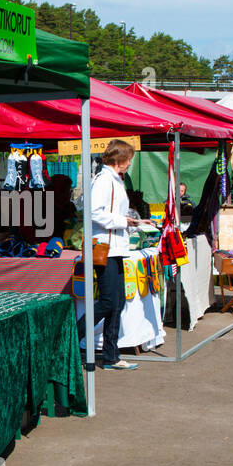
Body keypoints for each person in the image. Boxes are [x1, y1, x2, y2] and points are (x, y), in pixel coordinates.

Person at [89, 140, 141, 366]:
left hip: (116, 247)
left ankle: (111, 355)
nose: (130, 163)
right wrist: (123, 221)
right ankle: (73, 333)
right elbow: (93, 212)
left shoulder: (114, 180)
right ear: (118, 159)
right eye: (128, 159)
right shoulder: (103, 180)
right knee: (109, 301)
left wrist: (128, 223)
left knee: (117, 302)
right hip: (105, 248)